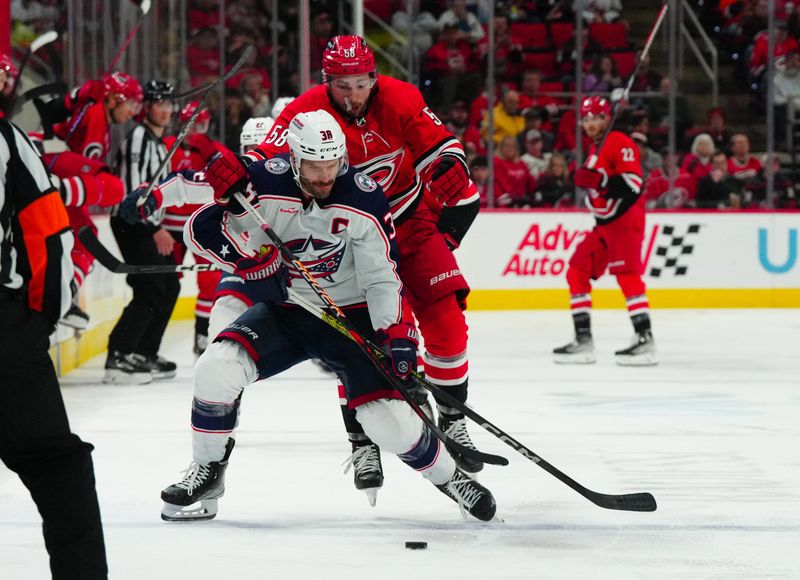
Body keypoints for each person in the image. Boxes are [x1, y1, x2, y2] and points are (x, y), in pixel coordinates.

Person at [162, 110, 497, 523]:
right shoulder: (262, 183)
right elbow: (200, 230)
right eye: (314, 166)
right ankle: (209, 469)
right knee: (215, 367)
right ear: (295, 158)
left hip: (349, 316)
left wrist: (397, 335)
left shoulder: (364, 196)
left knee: (385, 422)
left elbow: (380, 276)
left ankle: (452, 480)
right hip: (289, 310)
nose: (324, 175)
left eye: (332, 164)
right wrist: (249, 261)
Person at [205, 37, 486, 493]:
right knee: (354, 331)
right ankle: (361, 437)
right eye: (342, 85)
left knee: (447, 324)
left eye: (360, 83)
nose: (352, 94)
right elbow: (269, 159)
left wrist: (453, 163)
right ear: (326, 82)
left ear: (373, 78)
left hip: (409, 221)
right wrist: (240, 170)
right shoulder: (307, 110)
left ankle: (453, 418)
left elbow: (440, 145)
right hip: (342, 236)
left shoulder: (402, 97)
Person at [0, 114, 107, 578]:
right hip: (5, 332)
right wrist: (37, 323)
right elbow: (46, 228)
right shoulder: (5, 137)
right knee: (55, 464)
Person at [554, 96, 656, 366]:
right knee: (577, 269)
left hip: (625, 220)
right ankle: (584, 340)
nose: (590, 124)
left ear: (607, 118)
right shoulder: (594, 150)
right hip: (604, 225)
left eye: (596, 118)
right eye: (586, 119)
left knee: (627, 275)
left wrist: (600, 181)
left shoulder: (619, 141)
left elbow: (633, 184)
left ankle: (645, 339)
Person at [104, 80, 179, 384]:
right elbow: (135, 195)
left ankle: (144, 351)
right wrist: (155, 228)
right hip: (132, 222)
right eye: (158, 103)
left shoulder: (159, 142)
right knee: (150, 286)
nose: (164, 109)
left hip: (148, 225)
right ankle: (119, 354)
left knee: (170, 285)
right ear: (146, 107)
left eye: (168, 103)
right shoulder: (138, 138)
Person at [162, 101, 228, 355]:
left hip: (201, 226)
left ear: (207, 125)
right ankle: (151, 342)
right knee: (165, 286)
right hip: (168, 228)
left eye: (198, 125)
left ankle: (202, 335)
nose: (193, 132)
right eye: (189, 126)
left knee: (211, 282)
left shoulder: (216, 152)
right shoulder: (166, 148)